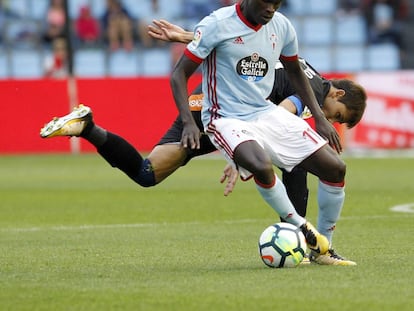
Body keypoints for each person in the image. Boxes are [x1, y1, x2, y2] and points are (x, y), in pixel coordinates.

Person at [169, 0, 357, 262]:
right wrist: (189, 121)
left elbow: (294, 72)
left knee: (335, 168)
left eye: (277, 3)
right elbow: (178, 75)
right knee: (261, 164)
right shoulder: (217, 23)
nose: (271, 8)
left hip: (264, 112)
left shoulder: (282, 26)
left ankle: (323, 248)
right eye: (267, 2)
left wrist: (319, 117)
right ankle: (302, 226)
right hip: (224, 117)